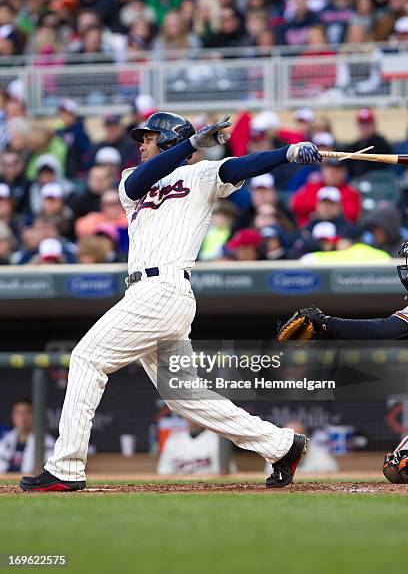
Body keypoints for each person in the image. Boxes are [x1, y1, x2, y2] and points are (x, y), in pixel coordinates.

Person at [20, 111, 321, 492]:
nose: (141, 145)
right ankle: (281, 445)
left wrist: (288, 153)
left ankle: (66, 466)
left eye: (148, 138)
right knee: (185, 397)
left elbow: (244, 165)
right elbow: (145, 178)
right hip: (147, 292)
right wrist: (190, 144)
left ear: (167, 139)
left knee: (87, 358)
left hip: (164, 289)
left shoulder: (203, 174)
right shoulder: (133, 180)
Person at [157, 420, 235, 475]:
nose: (192, 419)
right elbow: (163, 471)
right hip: (178, 488)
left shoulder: (218, 439)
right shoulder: (174, 438)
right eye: (189, 415)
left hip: (206, 488)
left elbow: (223, 474)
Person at [0, 399, 54, 474]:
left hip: (32, 483)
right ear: (13, 416)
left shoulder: (46, 440)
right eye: (18, 413)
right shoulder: (6, 439)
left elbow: (50, 468)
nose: (23, 417)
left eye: (27, 412)